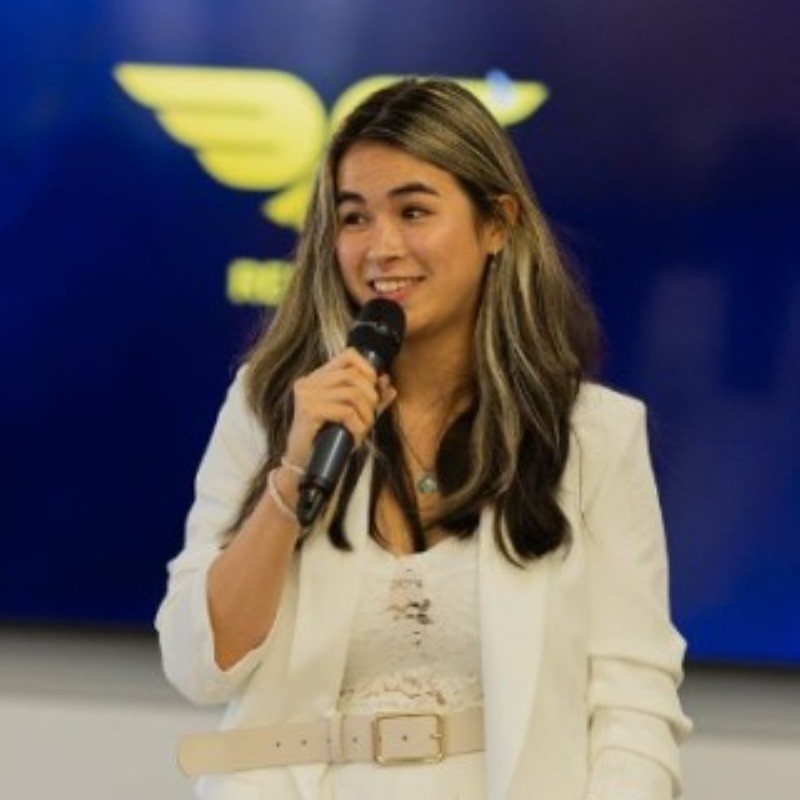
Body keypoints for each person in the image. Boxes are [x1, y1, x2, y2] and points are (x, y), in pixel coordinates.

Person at [156, 77, 692, 800]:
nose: (381, 247)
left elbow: (634, 708)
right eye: (354, 217)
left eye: (413, 211)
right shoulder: (274, 404)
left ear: (497, 223)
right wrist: (290, 475)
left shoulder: (593, 435)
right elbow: (198, 666)